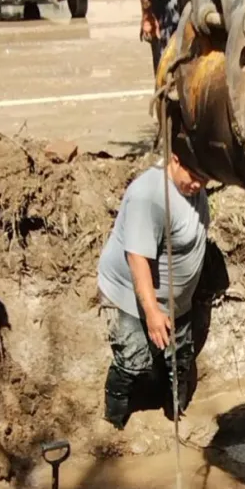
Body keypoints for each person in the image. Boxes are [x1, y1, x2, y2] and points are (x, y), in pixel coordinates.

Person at [97, 153, 209, 430]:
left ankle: (176, 415)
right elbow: (137, 258)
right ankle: (113, 420)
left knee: (180, 358)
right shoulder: (149, 197)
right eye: (194, 177)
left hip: (177, 301)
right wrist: (151, 311)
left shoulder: (192, 185)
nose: (198, 185)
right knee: (133, 361)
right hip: (132, 297)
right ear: (175, 159)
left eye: (205, 179)